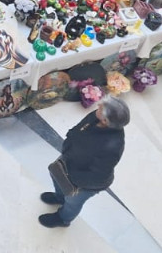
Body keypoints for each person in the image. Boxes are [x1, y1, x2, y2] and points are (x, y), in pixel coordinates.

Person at [39, 97, 129, 228]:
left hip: (85, 182)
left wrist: (72, 179)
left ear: (105, 121)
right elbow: (80, 127)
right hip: (70, 159)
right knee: (56, 177)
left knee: (73, 202)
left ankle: (63, 219)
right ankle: (59, 197)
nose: (98, 105)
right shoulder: (96, 116)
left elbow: (98, 175)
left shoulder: (112, 146)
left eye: (101, 108)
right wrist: (68, 141)